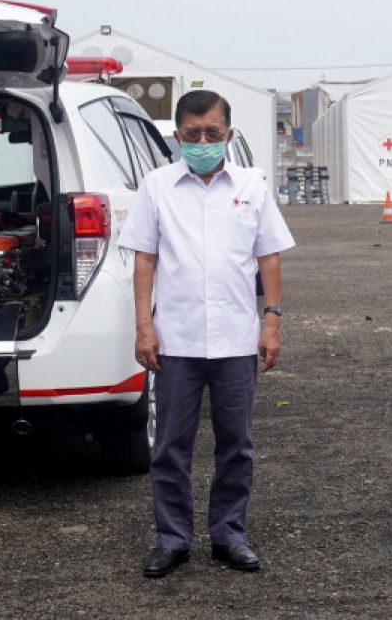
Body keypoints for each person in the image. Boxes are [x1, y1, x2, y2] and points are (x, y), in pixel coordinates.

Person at [119, 89, 294, 578]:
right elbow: (145, 259)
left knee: (236, 445)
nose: (202, 141)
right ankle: (172, 539)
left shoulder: (252, 186)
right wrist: (143, 327)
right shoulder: (156, 187)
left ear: (229, 135)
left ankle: (229, 535)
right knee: (170, 446)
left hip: (236, 339)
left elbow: (269, 256)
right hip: (175, 341)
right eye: (192, 134)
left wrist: (273, 320)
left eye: (212, 133)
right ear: (177, 136)